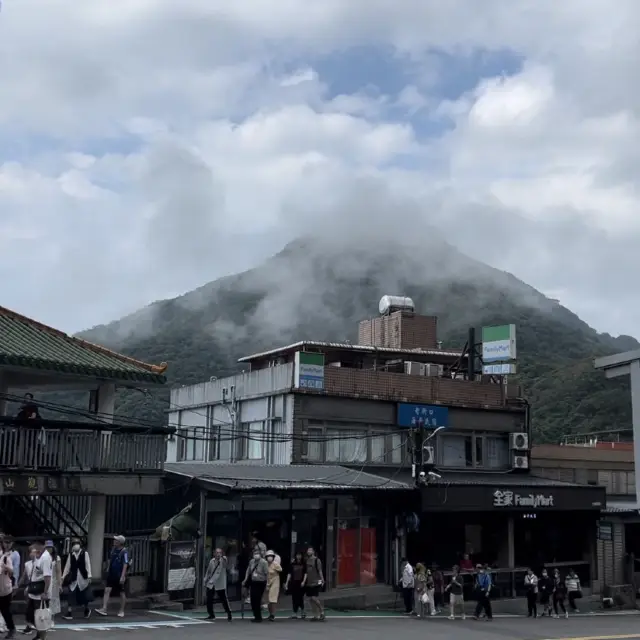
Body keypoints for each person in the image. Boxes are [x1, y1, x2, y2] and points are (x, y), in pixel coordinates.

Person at [95, 535, 129, 618]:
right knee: (107, 590)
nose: (114, 541)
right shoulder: (113, 550)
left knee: (121, 593)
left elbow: (125, 564)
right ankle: (104, 608)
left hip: (119, 575)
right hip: (111, 574)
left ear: (120, 542)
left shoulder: (124, 551)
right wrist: (107, 568)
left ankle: (121, 610)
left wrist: (122, 576)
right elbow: (110, 560)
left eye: (116, 540)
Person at [23, 543, 52, 640]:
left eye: (34, 550)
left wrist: (45, 592)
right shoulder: (38, 558)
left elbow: (47, 577)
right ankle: (39, 634)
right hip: (33, 590)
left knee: (41, 617)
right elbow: (33, 575)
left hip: (40, 592)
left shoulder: (46, 558)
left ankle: (42, 637)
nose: (33, 553)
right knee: (31, 615)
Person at [61, 539, 92, 620]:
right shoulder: (71, 555)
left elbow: (88, 565)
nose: (75, 545)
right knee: (71, 594)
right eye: (74, 544)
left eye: (77, 543)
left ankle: (86, 609)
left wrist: (89, 576)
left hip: (83, 578)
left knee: (84, 595)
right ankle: (69, 612)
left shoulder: (85, 553)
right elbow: (67, 566)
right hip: (74, 578)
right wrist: (63, 576)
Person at [203, 548, 232, 622]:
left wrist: (225, 559)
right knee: (209, 599)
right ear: (214, 553)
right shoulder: (211, 561)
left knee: (224, 599)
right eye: (217, 552)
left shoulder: (223, 560)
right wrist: (205, 579)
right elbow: (208, 571)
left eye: (220, 553)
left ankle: (229, 613)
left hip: (220, 582)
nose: (218, 554)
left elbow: (226, 566)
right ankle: (211, 614)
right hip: (211, 582)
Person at [243, 548, 268, 623]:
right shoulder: (251, 561)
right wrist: (245, 579)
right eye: (255, 553)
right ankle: (255, 615)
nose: (256, 555)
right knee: (253, 599)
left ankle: (259, 617)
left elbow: (267, 573)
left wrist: (267, 584)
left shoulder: (264, 562)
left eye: (257, 553)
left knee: (257, 599)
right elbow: (248, 570)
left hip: (261, 582)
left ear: (260, 555)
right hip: (253, 582)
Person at [302, 547, 325, 622]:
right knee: (310, 599)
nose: (308, 551)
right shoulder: (307, 560)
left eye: (310, 550)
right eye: (308, 550)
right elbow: (305, 572)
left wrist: (322, 579)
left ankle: (322, 611)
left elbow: (320, 570)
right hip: (309, 582)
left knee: (313, 597)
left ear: (313, 552)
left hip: (315, 581)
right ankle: (315, 615)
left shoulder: (317, 560)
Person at [0, 538, 15, 638]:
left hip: (5, 589)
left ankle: (11, 629)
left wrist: (6, 567)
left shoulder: (6, 558)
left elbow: (12, 571)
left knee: (5, 611)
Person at [284, 552, 306, 619]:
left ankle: (302, 611)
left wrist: (304, 581)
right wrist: (287, 582)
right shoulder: (292, 564)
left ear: (301, 556)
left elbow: (305, 573)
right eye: (297, 555)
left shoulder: (304, 564)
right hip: (294, 583)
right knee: (294, 598)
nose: (298, 556)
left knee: (300, 598)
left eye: (299, 555)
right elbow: (289, 573)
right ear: (295, 556)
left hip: (301, 583)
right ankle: (294, 613)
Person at [43, 543, 61, 620]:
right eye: (47, 547)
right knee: (45, 599)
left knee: (53, 599)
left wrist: (59, 583)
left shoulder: (56, 558)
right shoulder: (43, 557)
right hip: (45, 580)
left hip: (53, 581)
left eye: (50, 547)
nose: (49, 549)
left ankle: (52, 618)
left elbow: (59, 571)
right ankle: (45, 617)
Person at [265, 551, 281, 622]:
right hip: (267, 582)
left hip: (275, 582)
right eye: (268, 556)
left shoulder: (275, 564)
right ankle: (270, 614)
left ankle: (273, 615)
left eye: (271, 556)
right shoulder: (265, 564)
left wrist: (275, 569)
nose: (269, 557)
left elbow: (280, 569)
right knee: (268, 600)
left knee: (273, 599)